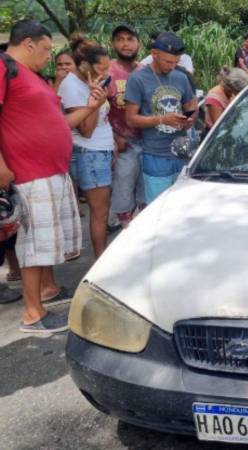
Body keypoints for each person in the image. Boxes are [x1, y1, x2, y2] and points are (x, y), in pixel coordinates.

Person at [0, 20, 82, 332]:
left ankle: (45, 294)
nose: (50, 55)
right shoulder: (4, 67)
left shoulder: (31, 76)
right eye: (46, 48)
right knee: (33, 243)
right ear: (28, 43)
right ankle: (32, 313)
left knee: (45, 242)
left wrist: (90, 106)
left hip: (51, 172)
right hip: (29, 173)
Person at [125, 32, 197, 204]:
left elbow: (191, 106)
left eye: (176, 62)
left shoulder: (181, 77)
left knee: (182, 206)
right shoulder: (137, 79)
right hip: (155, 155)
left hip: (182, 153)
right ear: (154, 54)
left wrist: (190, 119)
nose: (172, 66)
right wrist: (162, 120)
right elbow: (131, 119)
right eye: (168, 61)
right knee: (159, 207)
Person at [58, 35, 113, 259]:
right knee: (99, 212)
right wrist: (96, 99)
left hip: (101, 151)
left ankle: (103, 258)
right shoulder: (71, 86)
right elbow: (86, 130)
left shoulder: (88, 82)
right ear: (84, 66)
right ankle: (101, 260)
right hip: (89, 153)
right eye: (101, 70)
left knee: (103, 210)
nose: (106, 74)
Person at [107, 24, 145, 228]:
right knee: (122, 193)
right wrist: (114, 138)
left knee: (146, 193)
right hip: (123, 144)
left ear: (138, 43)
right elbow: (96, 110)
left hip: (147, 142)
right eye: (120, 39)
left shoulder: (145, 71)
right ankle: (124, 235)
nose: (125, 44)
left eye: (130, 39)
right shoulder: (107, 71)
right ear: (113, 43)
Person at [204, 67, 248, 131]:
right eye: (239, 91)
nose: (239, 93)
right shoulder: (214, 98)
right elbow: (219, 128)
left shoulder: (231, 93)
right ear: (232, 87)